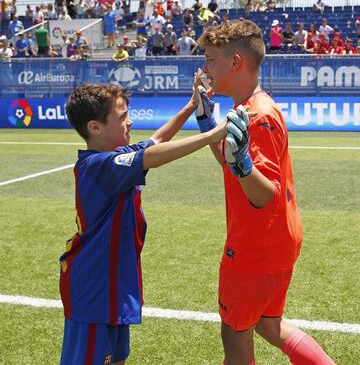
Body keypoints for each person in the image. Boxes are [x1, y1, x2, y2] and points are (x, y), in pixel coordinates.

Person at [194, 19, 336, 365]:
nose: (204, 68)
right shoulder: (248, 108)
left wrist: (243, 164)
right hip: (275, 239)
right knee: (268, 323)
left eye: (211, 59)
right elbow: (231, 166)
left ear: (235, 63)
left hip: (256, 245)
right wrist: (205, 121)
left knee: (235, 334)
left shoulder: (258, 116)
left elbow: (264, 194)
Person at [59, 83, 226, 364]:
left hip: (113, 284)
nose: (130, 122)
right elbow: (152, 157)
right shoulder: (98, 165)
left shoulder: (113, 156)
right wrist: (213, 134)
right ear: (95, 127)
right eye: (122, 117)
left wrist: (190, 105)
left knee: (117, 358)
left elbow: (156, 142)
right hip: (93, 289)